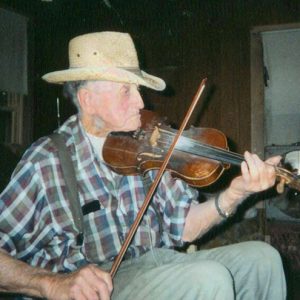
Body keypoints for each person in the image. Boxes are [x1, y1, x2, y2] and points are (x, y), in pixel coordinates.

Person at [0, 31, 286, 300]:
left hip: (156, 263)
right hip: (99, 283)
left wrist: (237, 193)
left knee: (263, 260)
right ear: (88, 101)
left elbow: (184, 228)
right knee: (206, 278)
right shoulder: (47, 160)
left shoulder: (150, 144)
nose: (141, 102)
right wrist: (52, 284)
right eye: (126, 91)